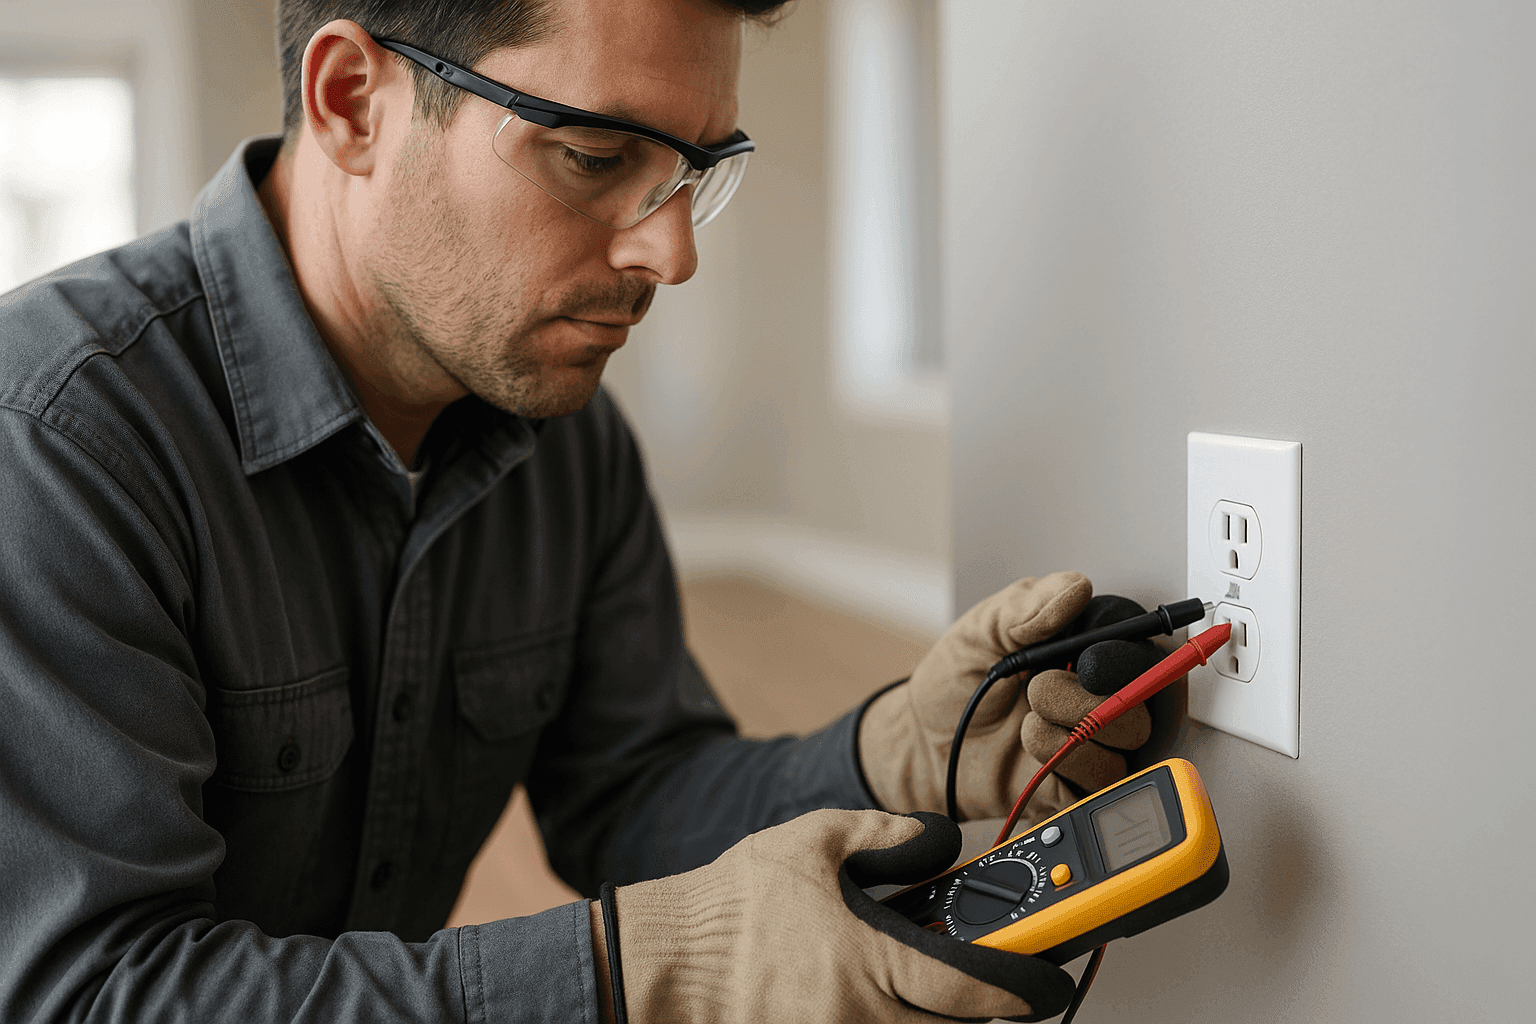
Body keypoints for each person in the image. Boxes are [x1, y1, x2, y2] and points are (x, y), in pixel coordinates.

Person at [0, 1, 1166, 1021]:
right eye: (596, 153)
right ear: (355, 99)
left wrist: (897, 749)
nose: (670, 251)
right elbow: (94, 994)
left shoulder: (563, 436)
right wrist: (647, 971)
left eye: (695, 172)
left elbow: (628, 790)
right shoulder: (55, 444)